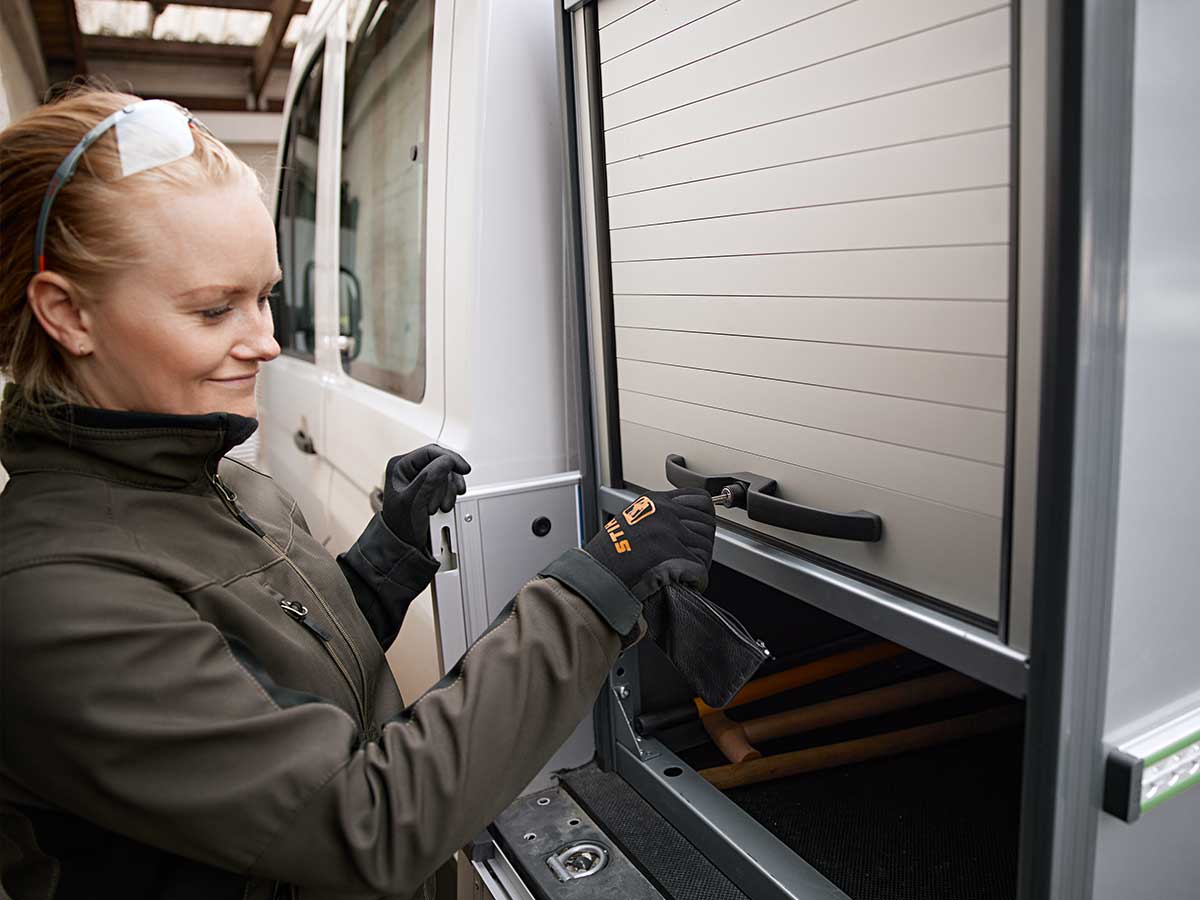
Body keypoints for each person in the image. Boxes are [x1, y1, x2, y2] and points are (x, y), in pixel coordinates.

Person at [0, 89, 717, 900]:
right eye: (214, 309)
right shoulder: (53, 603)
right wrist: (592, 594)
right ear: (67, 314)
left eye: (265, 295)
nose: (266, 341)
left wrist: (384, 562)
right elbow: (361, 822)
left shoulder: (215, 477)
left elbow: (269, 682)